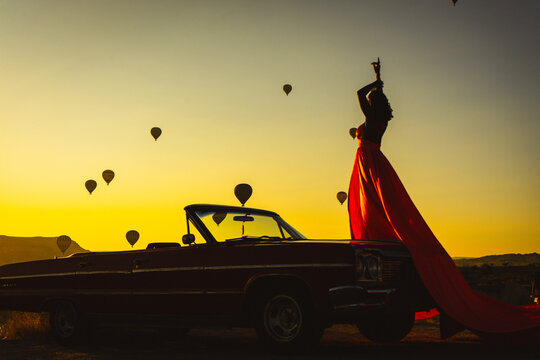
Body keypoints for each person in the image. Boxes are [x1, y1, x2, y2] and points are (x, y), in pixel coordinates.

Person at [348, 59, 540, 341]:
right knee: (385, 208)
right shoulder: (381, 118)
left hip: (369, 164)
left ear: (372, 101)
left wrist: (375, 82)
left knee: (376, 209)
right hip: (374, 163)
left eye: (371, 96)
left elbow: (357, 93)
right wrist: (378, 80)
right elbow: (362, 95)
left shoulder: (370, 118)